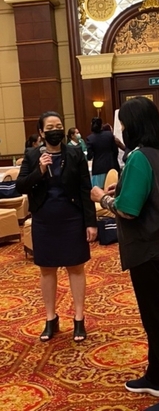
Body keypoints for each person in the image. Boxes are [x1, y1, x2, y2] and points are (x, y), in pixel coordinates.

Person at [91, 97, 159, 411]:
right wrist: (121, 189)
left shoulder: (138, 157)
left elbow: (129, 210)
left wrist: (102, 198)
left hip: (150, 249)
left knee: (156, 322)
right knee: (157, 314)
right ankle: (154, 377)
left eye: (123, 124)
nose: (121, 130)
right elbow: (156, 193)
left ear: (133, 126)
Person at [16, 111, 97, 342]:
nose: (55, 130)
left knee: (76, 268)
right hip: (44, 220)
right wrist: (39, 171)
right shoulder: (32, 155)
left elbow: (85, 188)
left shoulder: (74, 153)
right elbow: (21, 186)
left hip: (72, 218)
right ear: (41, 132)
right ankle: (51, 318)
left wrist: (91, 222)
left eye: (58, 126)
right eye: (50, 127)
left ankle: (79, 319)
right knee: (47, 270)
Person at [86, 117, 119, 187]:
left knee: (99, 190)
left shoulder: (90, 138)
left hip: (98, 168)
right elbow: (115, 150)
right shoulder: (109, 135)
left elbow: (89, 156)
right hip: (111, 166)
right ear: (101, 125)